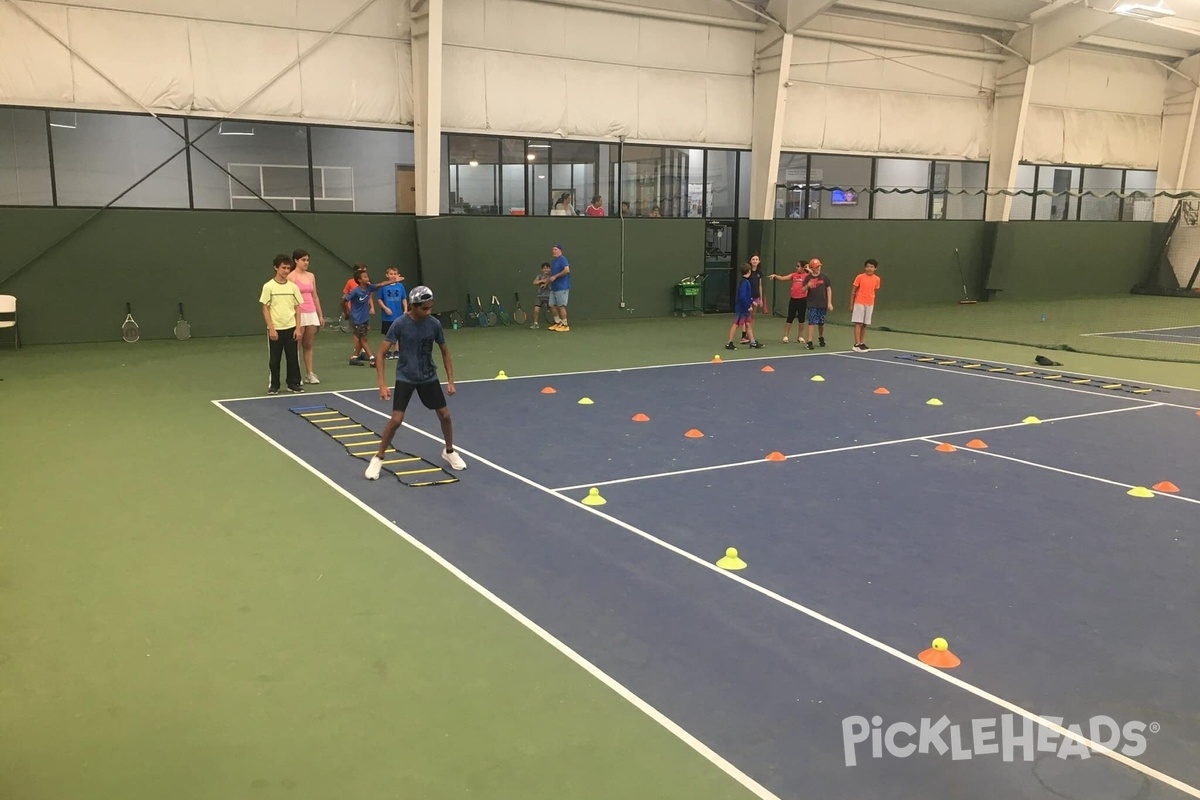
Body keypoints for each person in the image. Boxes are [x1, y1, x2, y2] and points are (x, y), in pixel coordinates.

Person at [366, 285, 466, 479]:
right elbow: (381, 354)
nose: (428, 311)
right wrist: (382, 384)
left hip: (429, 376)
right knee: (396, 420)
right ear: (413, 306)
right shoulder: (400, 324)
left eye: (430, 307)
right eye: (424, 308)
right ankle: (378, 458)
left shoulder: (434, 324)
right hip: (406, 377)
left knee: (445, 415)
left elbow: (445, 352)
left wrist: (450, 381)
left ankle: (449, 451)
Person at [259, 254, 304, 394]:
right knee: (274, 359)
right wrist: (271, 328)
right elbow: (265, 307)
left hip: (291, 328)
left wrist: (298, 328)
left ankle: (293, 384)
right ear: (276, 268)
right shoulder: (268, 287)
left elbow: (298, 307)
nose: (286, 271)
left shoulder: (293, 287)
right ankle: (274, 385)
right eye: (283, 268)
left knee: (292, 358)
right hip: (275, 329)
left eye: (288, 268)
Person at [342, 266, 398, 367]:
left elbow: (381, 284)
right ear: (359, 280)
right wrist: (346, 313)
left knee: (361, 338)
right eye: (365, 277)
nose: (367, 278)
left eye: (367, 276)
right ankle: (372, 358)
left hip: (365, 318)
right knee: (363, 339)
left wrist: (392, 280)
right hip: (356, 319)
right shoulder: (355, 291)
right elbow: (344, 300)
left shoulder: (369, 288)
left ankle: (353, 358)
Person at [288, 248, 323, 385]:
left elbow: (315, 296)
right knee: (296, 345)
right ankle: (296, 375)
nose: (306, 262)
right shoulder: (291, 276)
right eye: (303, 260)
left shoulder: (311, 276)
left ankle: (309, 374)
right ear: (296, 261)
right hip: (298, 314)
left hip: (311, 313)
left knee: (308, 344)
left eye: (307, 260)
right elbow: (291, 298)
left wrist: (320, 315)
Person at [768, 260, 810, 344]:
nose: (796, 268)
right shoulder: (793, 275)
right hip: (793, 299)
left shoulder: (807, 276)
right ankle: (785, 336)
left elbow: (815, 276)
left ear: (803, 267)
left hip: (803, 300)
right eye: (796, 266)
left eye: (798, 266)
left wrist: (808, 269)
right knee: (790, 317)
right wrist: (775, 275)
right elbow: (783, 278)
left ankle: (800, 336)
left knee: (801, 319)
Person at [725, 263, 762, 350]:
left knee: (748, 324)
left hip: (745, 307)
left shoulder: (745, 282)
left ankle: (752, 342)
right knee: (736, 324)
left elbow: (747, 295)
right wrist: (748, 306)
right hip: (742, 308)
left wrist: (752, 301)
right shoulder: (744, 283)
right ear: (749, 271)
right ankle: (729, 342)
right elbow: (742, 296)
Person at [343, 265, 373, 361]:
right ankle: (370, 356)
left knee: (362, 335)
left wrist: (372, 307)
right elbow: (345, 297)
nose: (364, 273)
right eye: (361, 271)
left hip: (364, 314)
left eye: (364, 270)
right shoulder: (350, 283)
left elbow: (369, 296)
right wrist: (347, 311)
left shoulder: (368, 285)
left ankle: (356, 355)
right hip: (355, 314)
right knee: (359, 336)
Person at [802, 257, 833, 349]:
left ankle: (821, 337)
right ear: (811, 268)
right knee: (811, 322)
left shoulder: (824, 277)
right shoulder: (808, 278)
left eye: (819, 266)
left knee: (821, 323)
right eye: (816, 267)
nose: (818, 268)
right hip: (812, 304)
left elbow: (828, 289)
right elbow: (802, 290)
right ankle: (809, 342)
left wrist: (829, 303)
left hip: (822, 304)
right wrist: (808, 285)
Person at [377, 266, 408, 358]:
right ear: (387, 275)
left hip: (398, 314)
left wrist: (405, 310)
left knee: (398, 333)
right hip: (387, 316)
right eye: (391, 274)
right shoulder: (383, 286)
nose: (393, 276)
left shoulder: (400, 286)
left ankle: (397, 351)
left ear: (398, 275)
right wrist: (385, 308)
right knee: (388, 333)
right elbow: (379, 299)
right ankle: (388, 351)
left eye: (395, 274)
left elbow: (404, 299)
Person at [849, 259, 880, 351]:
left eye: (871, 267)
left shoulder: (877, 279)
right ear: (865, 267)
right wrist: (851, 304)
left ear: (875, 268)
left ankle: (861, 343)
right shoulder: (859, 277)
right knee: (858, 323)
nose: (869, 268)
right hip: (859, 302)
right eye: (867, 266)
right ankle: (856, 344)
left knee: (865, 324)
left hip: (870, 304)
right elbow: (853, 291)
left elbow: (874, 290)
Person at [547, 244, 571, 332]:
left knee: (561, 306)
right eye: (553, 249)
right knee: (551, 305)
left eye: (555, 249)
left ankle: (565, 325)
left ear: (560, 251)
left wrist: (556, 276)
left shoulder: (562, 259)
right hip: (554, 287)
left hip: (562, 287)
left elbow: (567, 270)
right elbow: (551, 275)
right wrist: (547, 283)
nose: (553, 251)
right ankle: (558, 322)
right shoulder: (554, 261)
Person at [530, 261, 551, 329]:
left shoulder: (552, 276)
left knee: (554, 310)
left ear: (550, 269)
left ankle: (557, 323)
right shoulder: (539, 276)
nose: (546, 269)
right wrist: (541, 281)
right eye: (544, 268)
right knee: (536, 309)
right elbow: (534, 282)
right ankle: (535, 324)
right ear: (542, 269)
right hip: (540, 296)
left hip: (550, 296)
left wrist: (547, 282)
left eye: (547, 268)